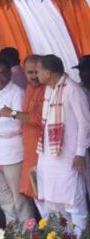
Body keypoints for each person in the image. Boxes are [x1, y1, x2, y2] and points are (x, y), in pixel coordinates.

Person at [35, 55, 90, 230]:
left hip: (69, 157)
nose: (36, 74)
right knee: (55, 204)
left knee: (75, 205)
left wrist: (80, 152)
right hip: (50, 159)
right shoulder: (49, 90)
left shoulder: (73, 89)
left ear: (49, 73)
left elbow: (85, 122)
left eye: (38, 71)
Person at [0, 58, 32, 225]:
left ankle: (30, 236)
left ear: (9, 73)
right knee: (5, 201)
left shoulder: (17, 92)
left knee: (19, 199)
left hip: (13, 156)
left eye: (1, 74)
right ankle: (14, 238)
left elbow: (18, 125)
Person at [0, 55, 45, 208]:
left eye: (36, 72)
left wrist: (13, 113)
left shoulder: (48, 89)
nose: (34, 76)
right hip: (30, 151)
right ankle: (50, 231)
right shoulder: (30, 88)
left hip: (43, 150)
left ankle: (62, 232)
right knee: (36, 194)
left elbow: (40, 118)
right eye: (29, 73)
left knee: (48, 197)